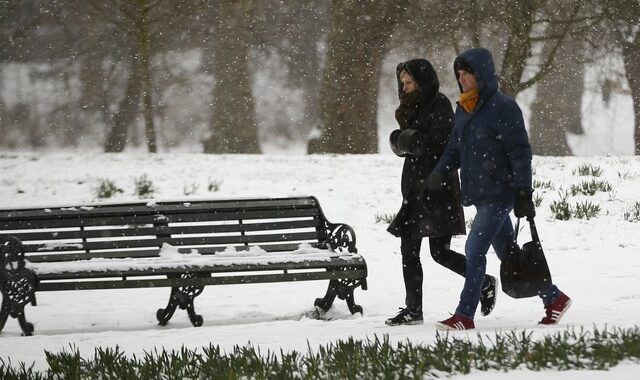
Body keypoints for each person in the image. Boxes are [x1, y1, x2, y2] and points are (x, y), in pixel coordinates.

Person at [427, 48, 572, 330]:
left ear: (481, 73)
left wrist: (523, 192)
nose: (462, 78)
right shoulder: (464, 109)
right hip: (481, 196)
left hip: (500, 195)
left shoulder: (504, 107)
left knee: (474, 249)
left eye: (466, 73)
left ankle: (464, 315)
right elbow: (454, 149)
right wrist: (437, 175)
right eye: (459, 74)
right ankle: (553, 299)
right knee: (508, 253)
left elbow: (520, 152)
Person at [385, 59, 498, 326]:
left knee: (440, 253)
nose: (405, 87)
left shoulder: (440, 104)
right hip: (414, 188)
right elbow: (414, 144)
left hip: (438, 188)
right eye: (403, 82)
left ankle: (483, 282)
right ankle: (414, 310)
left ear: (423, 81)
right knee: (409, 249)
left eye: (410, 82)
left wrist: (406, 140)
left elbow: (440, 143)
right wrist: (401, 143)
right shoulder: (408, 107)